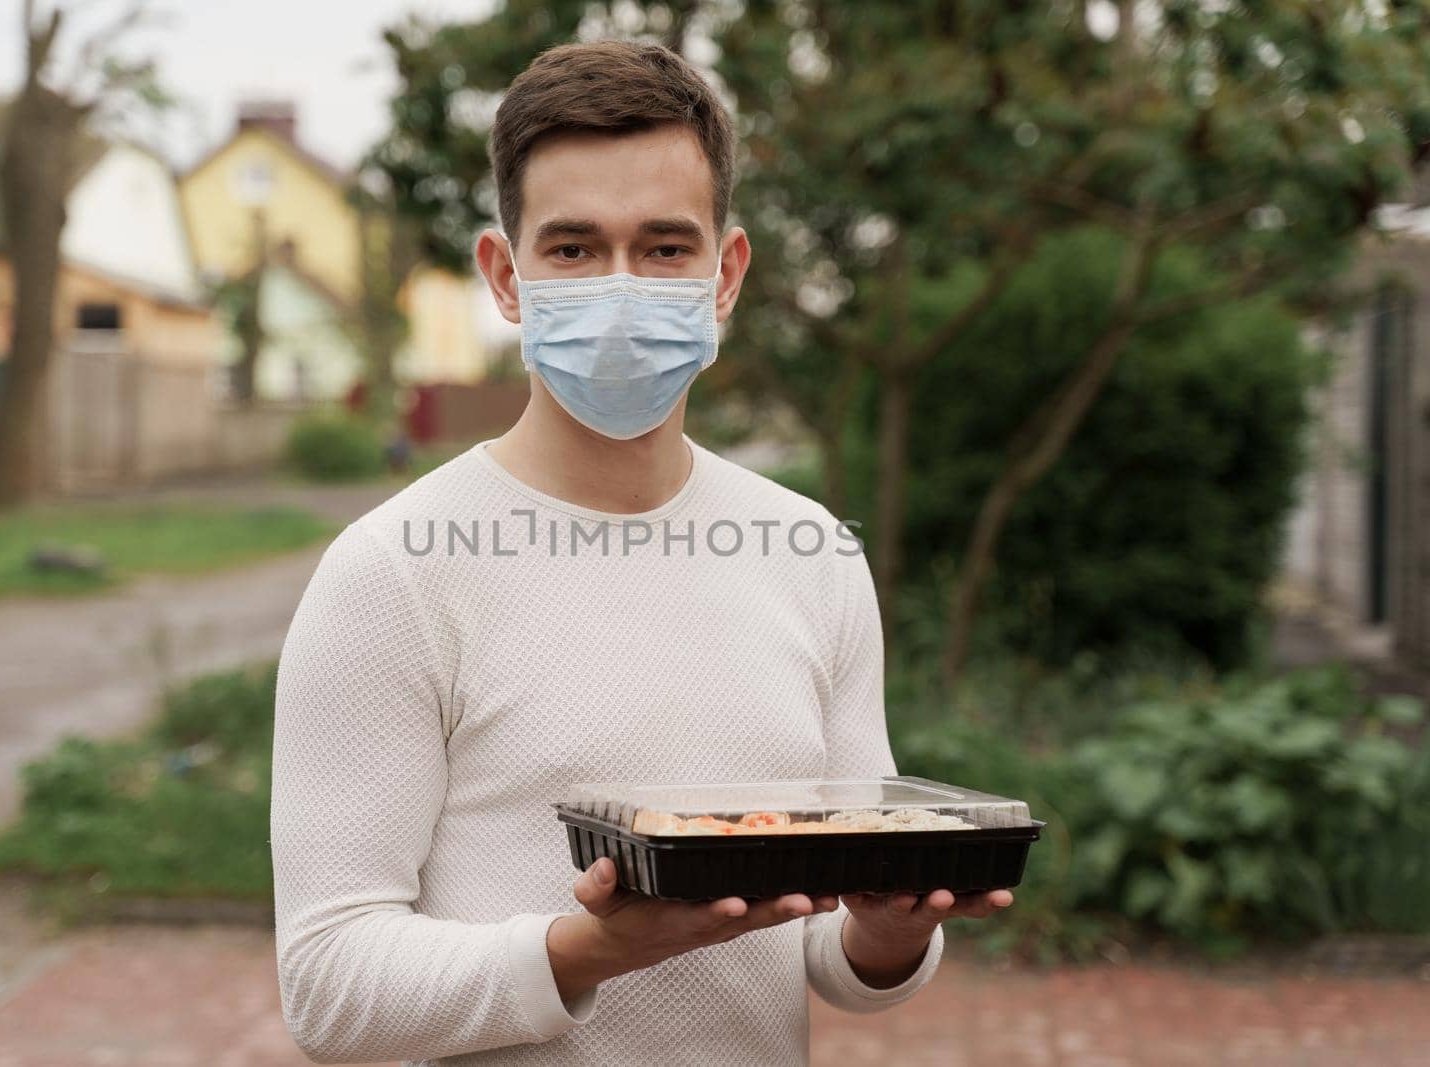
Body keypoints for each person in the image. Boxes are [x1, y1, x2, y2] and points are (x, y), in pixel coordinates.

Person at [271, 40, 1012, 1067]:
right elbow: (329, 986)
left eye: (665, 248)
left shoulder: (810, 556)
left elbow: (831, 948)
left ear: (726, 273)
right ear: (505, 273)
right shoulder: (393, 571)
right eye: (572, 249)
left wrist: (889, 932)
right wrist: (581, 952)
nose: (620, 286)